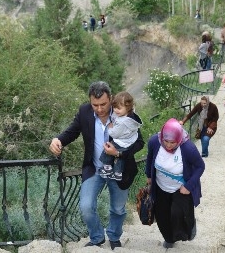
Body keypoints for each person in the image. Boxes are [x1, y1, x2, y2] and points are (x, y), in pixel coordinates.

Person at [49, 81, 144, 250]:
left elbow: (139, 142)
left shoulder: (123, 113)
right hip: (94, 169)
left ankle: (114, 236)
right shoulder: (84, 112)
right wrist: (58, 140)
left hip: (120, 169)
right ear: (90, 101)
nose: (99, 109)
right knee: (86, 207)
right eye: (95, 105)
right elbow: (72, 131)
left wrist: (119, 153)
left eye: (103, 104)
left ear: (111, 99)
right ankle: (97, 237)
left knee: (118, 209)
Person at [145, 118, 205, 249]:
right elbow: (150, 157)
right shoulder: (155, 141)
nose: (168, 145)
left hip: (180, 187)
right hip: (161, 186)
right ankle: (169, 238)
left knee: (178, 214)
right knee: (161, 215)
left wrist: (189, 186)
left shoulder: (188, 148)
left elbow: (200, 166)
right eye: (166, 141)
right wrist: (149, 175)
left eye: (172, 142)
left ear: (178, 139)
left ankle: (187, 230)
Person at [98, 91, 142, 181]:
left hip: (121, 142)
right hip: (128, 142)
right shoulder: (131, 119)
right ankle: (118, 173)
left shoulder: (123, 122)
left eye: (119, 108)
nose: (115, 110)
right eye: (114, 107)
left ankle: (107, 168)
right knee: (119, 159)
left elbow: (115, 134)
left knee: (107, 149)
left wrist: (110, 128)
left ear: (128, 108)